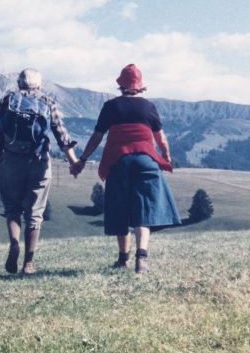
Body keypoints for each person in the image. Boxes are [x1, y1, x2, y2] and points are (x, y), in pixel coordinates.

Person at [71, 64, 181, 273]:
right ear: (140, 87)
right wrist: (166, 156)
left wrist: (83, 159)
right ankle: (142, 257)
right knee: (144, 209)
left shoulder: (111, 106)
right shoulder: (148, 107)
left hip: (119, 160)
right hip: (146, 160)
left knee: (120, 208)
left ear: (120, 85)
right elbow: (161, 138)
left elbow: (97, 136)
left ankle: (123, 259)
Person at [0, 68, 79, 274]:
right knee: (35, 212)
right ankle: (28, 263)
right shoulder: (47, 102)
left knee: (12, 208)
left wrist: (0, 159)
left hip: (11, 161)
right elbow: (61, 135)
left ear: (19, 83)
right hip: (38, 162)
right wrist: (74, 162)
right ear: (39, 84)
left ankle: (14, 244)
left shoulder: (7, 100)